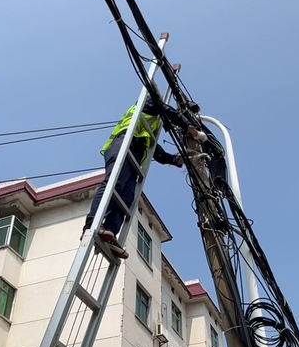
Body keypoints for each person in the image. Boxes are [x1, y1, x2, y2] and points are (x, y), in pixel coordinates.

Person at [83, 94, 206, 258]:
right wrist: (191, 129)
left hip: (135, 153)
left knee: (126, 198)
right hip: (124, 143)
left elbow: (159, 154)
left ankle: (110, 232)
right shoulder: (147, 103)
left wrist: (180, 160)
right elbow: (169, 111)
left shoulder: (150, 127)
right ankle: (91, 226)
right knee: (114, 185)